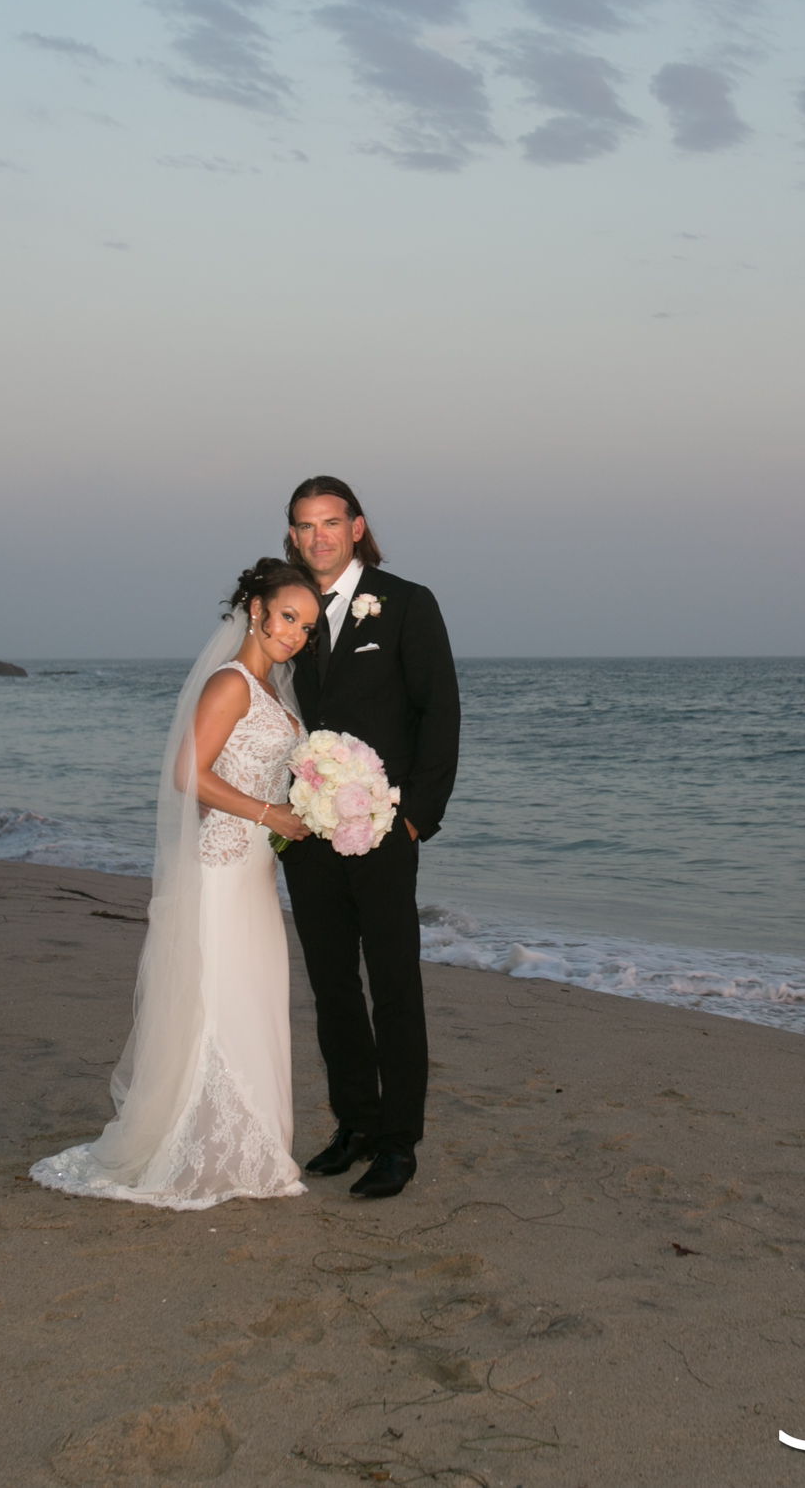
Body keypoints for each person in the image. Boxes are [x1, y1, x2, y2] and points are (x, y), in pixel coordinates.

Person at [31, 558, 321, 1210]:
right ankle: (208, 1144)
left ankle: (250, 1143)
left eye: (306, 625)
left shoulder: (274, 689)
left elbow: (262, 770)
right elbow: (189, 774)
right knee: (219, 999)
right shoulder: (231, 683)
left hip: (255, 872)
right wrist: (269, 812)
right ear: (256, 610)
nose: (295, 633)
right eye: (287, 617)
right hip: (222, 871)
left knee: (256, 996)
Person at [279, 476, 460, 1201]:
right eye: (304, 525)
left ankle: (397, 1141)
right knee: (331, 987)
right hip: (306, 834)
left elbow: (439, 712)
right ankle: (354, 1124)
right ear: (292, 535)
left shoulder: (408, 603)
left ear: (357, 526)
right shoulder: (285, 612)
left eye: (331, 522)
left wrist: (416, 814)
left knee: (393, 986)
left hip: (383, 830)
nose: (318, 535)